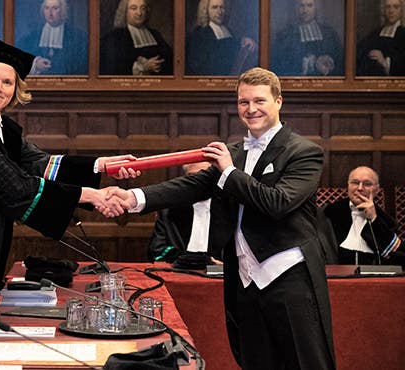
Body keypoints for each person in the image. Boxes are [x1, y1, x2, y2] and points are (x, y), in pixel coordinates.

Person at [0, 36, 138, 364]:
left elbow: (39, 163)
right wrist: (90, 194)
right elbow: (12, 183)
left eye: (8, 82)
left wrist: (101, 165)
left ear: (16, 89)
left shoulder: (3, 127)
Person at [108, 67, 336, 369]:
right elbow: (190, 186)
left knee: (304, 362)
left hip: (291, 279)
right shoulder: (233, 152)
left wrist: (229, 172)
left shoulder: (304, 152)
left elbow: (278, 203)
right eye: (243, 102)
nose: (250, 109)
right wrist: (134, 197)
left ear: (278, 101)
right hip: (244, 279)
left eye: (259, 101)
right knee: (255, 361)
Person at [317, 166, 403, 266]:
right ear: (348, 186)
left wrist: (374, 219)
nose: (360, 188)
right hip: (334, 277)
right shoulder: (325, 214)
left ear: (376, 190)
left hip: (373, 279)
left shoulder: (387, 222)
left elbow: (397, 257)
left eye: (367, 184)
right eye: (355, 182)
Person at [148, 161, 224, 266]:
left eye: (204, 175)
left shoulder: (229, 209)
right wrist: (194, 261)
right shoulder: (169, 210)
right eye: (192, 176)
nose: (198, 182)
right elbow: (157, 252)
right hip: (180, 273)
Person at [99, 0, 173, 75]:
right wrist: (143, 67)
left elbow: (170, 58)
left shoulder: (155, 34)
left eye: (143, 8)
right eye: (134, 8)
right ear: (125, 12)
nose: (139, 13)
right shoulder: (114, 37)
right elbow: (112, 67)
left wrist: (158, 65)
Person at [270, 0, 343, 76]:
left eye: (309, 5)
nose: (305, 10)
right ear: (296, 8)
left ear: (316, 8)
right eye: (302, 6)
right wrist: (309, 63)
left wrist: (329, 62)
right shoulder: (285, 36)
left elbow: (340, 61)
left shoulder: (329, 34)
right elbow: (279, 64)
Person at [185, 0, 257, 76]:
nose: (219, 12)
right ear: (206, 10)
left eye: (222, 7)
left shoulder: (229, 31)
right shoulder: (200, 35)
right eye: (214, 7)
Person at [16, 0, 88, 75]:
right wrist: (35, 64)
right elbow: (18, 58)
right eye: (47, 8)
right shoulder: (32, 36)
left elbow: (81, 64)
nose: (50, 13)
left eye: (55, 8)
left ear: (63, 11)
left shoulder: (76, 36)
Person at [356, 0, 405, 76]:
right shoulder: (376, 32)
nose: (391, 11)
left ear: (401, 11)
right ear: (383, 10)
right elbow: (360, 48)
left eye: (396, 7)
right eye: (388, 7)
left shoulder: (403, 34)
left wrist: (383, 61)